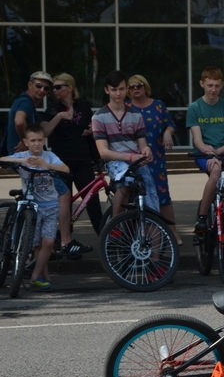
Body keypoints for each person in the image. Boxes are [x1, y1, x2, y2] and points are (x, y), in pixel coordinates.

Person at [0, 124, 70, 291]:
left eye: (40, 140)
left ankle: (34, 276)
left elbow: (65, 169)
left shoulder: (49, 156)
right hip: (32, 207)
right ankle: (42, 277)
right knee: (37, 244)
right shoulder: (23, 155)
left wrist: (46, 165)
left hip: (51, 205)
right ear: (26, 142)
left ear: (44, 141)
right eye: (33, 141)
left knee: (49, 241)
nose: (37, 144)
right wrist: (21, 161)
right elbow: (2, 160)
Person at [41, 73, 100, 257]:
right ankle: (68, 243)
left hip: (83, 160)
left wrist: (91, 135)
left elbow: (93, 130)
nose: (55, 90)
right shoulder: (52, 109)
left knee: (92, 201)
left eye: (58, 87)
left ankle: (108, 241)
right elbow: (45, 133)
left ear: (70, 87)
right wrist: (59, 116)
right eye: (53, 88)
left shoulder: (83, 106)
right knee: (65, 203)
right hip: (62, 162)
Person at [92, 71, 158, 217]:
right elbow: (103, 152)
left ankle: (154, 235)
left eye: (121, 89)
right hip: (115, 161)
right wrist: (130, 157)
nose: (118, 93)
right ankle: (115, 225)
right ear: (106, 90)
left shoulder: (136, 115)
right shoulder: (99, 117)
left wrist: (146, 150)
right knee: (126, 181)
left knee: (150, 192)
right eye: (114, 89)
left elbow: (142, 144)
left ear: (126, 89)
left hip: (137, 160)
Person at [125, 74, 180, 244]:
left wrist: (167, 132)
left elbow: (170, 124)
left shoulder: (158, 105)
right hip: (133, 158)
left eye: (139, 85)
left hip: (156, 159)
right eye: (132, 86)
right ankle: (135, 234)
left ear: (145, 86)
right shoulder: (125, 107)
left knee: (162, 195)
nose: (136, 89)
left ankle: (172, 232)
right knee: (133, 196)